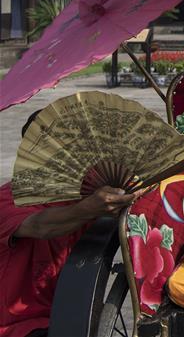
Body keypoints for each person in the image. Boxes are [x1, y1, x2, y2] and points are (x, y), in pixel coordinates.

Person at [1, 112, 140, 337]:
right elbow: (39, 226)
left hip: (71, 311)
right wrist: (88, 209)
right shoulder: (9, 197)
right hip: (19, 323)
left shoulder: (89, 183)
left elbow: (132, 181)